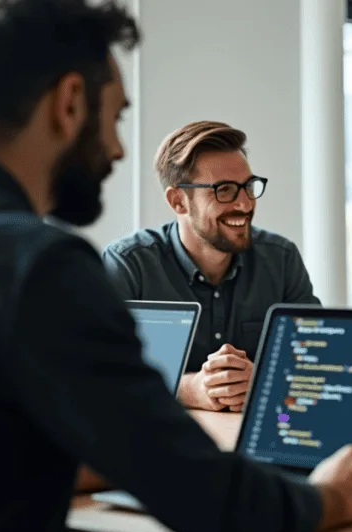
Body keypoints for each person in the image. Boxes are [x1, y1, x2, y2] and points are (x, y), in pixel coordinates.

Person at [0, 2, 352, 532]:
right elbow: (209, 502)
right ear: (68, 104)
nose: (115, 149)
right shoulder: (38, 265)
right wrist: (333, 497)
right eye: (114, 118)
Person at [103, 121, 318, 414]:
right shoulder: (129, 264)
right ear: (178, 201)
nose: (244, 204)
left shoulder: (281, 259)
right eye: (225, 190)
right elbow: (102, 372)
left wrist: (264, 379)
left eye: (248, 186)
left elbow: (315, 361)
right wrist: (189, 389)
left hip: (253, 443)